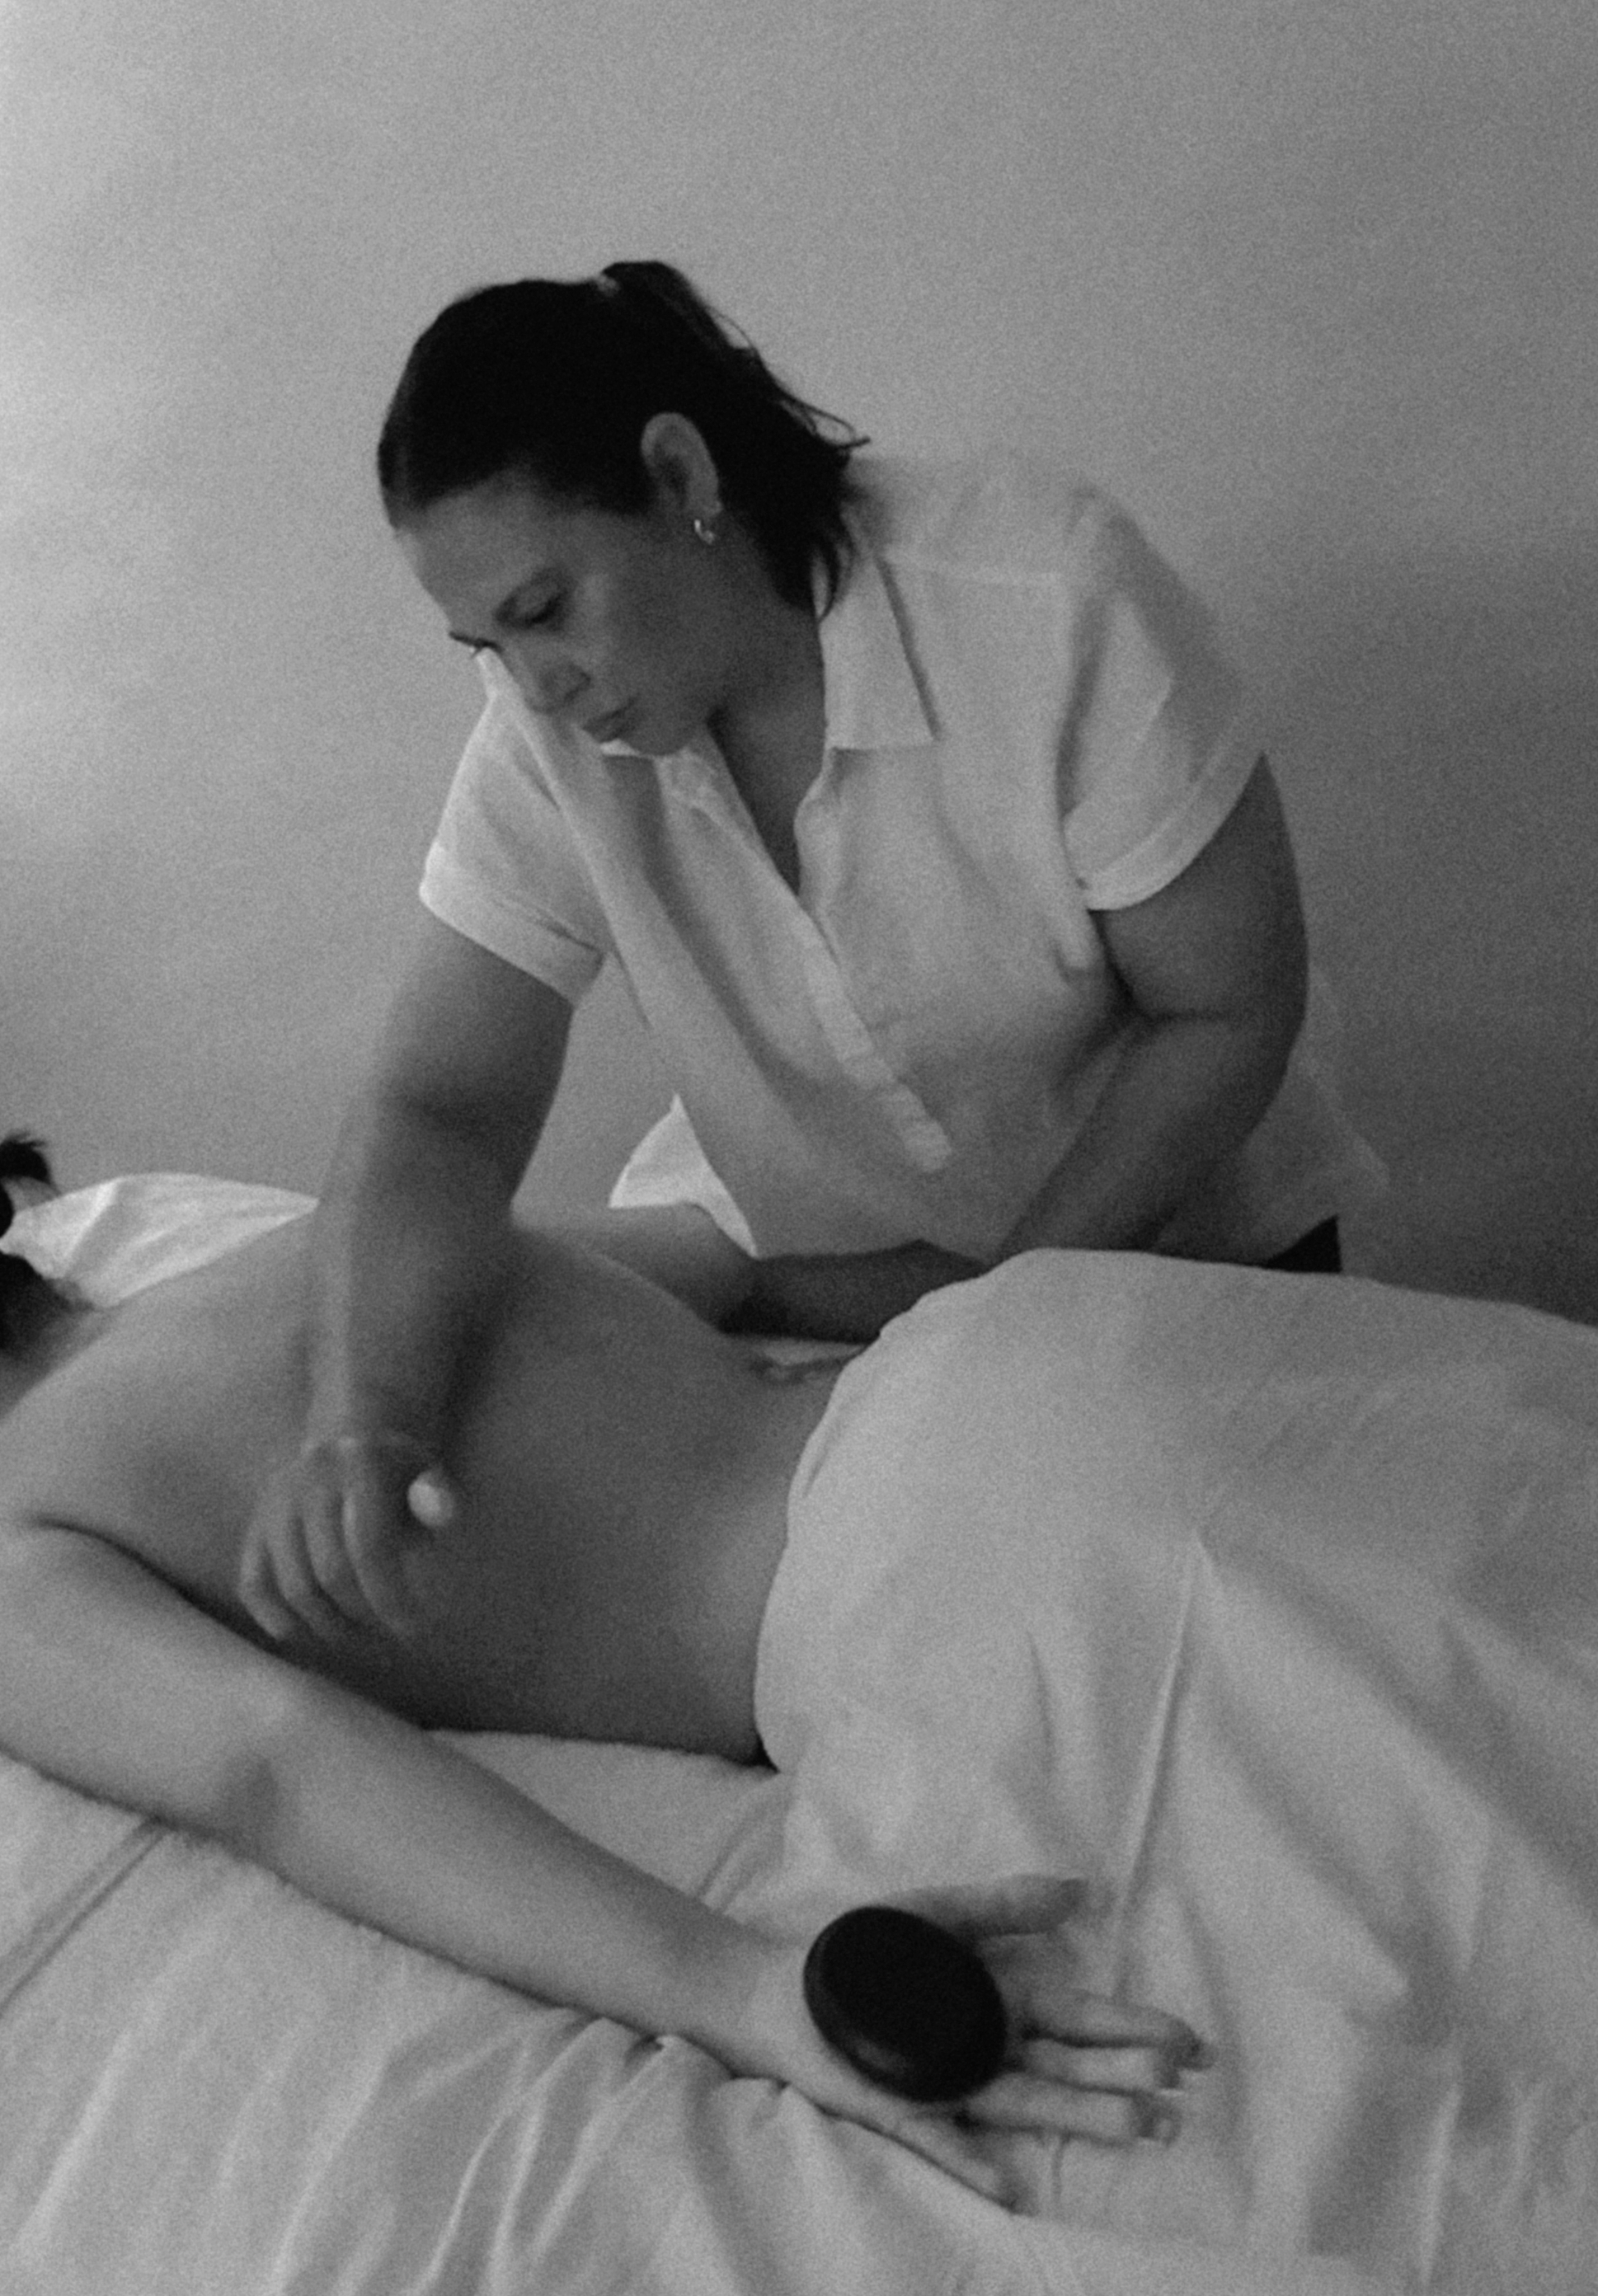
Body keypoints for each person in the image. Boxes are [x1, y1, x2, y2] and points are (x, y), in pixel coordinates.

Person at [242, 260, 1381, 1643]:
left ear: (679, 475)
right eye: (482, 646)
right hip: (875, 1335)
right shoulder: (548, 742)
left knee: (1267, 1658)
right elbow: (442, 1104)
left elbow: (1223, 1014)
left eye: (544, 613)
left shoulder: (1042, 596)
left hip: (1203, 1265)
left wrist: (996, 1319)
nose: (533, 685)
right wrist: (361, 1423)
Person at [0, 1168, 1209, 2209]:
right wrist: (1048, 1296)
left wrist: (743, 1990)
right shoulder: (322, 1238)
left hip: (926, 1605)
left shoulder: (24, 1538)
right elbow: (742, 1270)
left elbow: (272, 1761)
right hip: (1020, 1376)